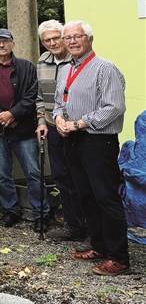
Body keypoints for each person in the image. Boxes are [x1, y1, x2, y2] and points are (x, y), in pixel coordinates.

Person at [51, 21, 129, 276]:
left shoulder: (105, 68)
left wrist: (80, 123)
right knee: (85, 195)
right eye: (68, 37)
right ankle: (98, 245)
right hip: (72, 139)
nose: (72, 41)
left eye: (77, 37)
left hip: (97, 141)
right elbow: (58, 101)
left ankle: (118, 257)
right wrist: (60, 120)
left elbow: (113, 107)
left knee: (105, 197)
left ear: (89, 39)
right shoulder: (65, 69)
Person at [0, 29, 45, 227]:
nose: (2, 45)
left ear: (12, 43)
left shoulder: (26, 66)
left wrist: (13, 113)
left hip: (23, 128)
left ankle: (41, 213)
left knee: (33, 172)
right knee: (2, 172)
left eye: (5, 41)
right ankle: (10, 210)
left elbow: (31, 94)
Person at [35, 19, 85, 242]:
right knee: (61, 177)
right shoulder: (42, 61)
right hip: (53, 127)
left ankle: (91, 228)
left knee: (81, 178)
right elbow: (39, 97)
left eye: (56, 38)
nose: (52, 43)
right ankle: (73, 226)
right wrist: (42, 121)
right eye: (47, 40)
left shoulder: (75, 62)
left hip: (77, 128)